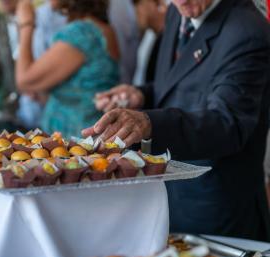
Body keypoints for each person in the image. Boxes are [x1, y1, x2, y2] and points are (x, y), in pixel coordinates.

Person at [85, 0, 270, 241]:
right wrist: (141, 94)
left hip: (217, 209)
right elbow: (179, 83)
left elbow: (227, 123)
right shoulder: (177, 11)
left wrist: (149, 122)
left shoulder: (247, 30)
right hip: (171, 201)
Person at [16, 0, 120, 138]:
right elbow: (84, 90)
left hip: (75, 142)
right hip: (88, 136)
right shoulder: (99, 28)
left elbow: (24, 80)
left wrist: (26, 24)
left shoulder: (81, 33)